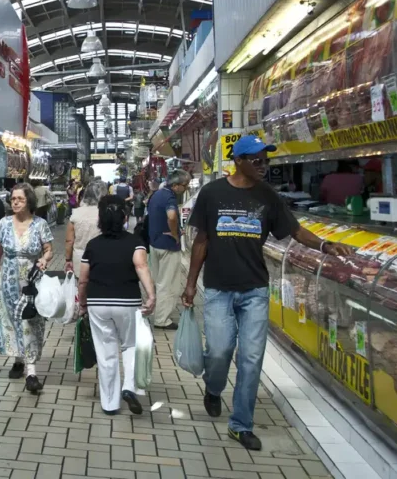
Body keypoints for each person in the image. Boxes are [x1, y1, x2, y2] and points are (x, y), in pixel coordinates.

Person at [184, 135, 354, 451]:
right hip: (219, 288)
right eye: (257, 160)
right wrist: (191, 284)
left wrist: (324, 245)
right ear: (238, 161)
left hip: (255, 290)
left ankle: (241, 425)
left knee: (250, 358)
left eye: (267, 160)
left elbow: (295, 230)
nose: (264, 166)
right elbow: (201, 241)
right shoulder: (212, 194)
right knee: (219, 351)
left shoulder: (268, 197)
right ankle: (213, 387)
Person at [78, 195, 156, 416]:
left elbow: (83, 279)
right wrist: (151, 296)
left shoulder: (93, 245)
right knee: (130, 345)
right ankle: (129, 387)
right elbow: (141, 266)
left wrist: (82, 303)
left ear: (100, 219)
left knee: (106, 352)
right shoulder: (135, 242)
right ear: (124, 217)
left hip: (98, 303)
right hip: (128, 302)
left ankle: (110, 404)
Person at [0, 183, 53, 394]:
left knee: (30, 321)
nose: (15, 202)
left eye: (20, 199)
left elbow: (49, 249)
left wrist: (43, 260)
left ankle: (31, 372)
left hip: (32, 282)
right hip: (8, 281)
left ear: (29, 202)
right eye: (13, 199)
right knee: (12, 320)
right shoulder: (4, 224)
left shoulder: (40, 224)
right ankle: (18, 359)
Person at [146, 169, 191, 331]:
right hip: (168, 246)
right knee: (168, 283)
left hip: (154, 243)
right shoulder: (170, 197)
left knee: (158, 281)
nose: (185, 189)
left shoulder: (156, 195)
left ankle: (156, 311)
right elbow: (171, 216)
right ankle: (162, 319)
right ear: (176, 185)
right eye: (184, 185)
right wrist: (175, 234)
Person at [64, 180, 108, 276]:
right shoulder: (105, 213)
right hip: (102, 257)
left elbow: (69, 240)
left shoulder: (76, 214)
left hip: (80, 258)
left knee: (81, 287)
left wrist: (68, 259)